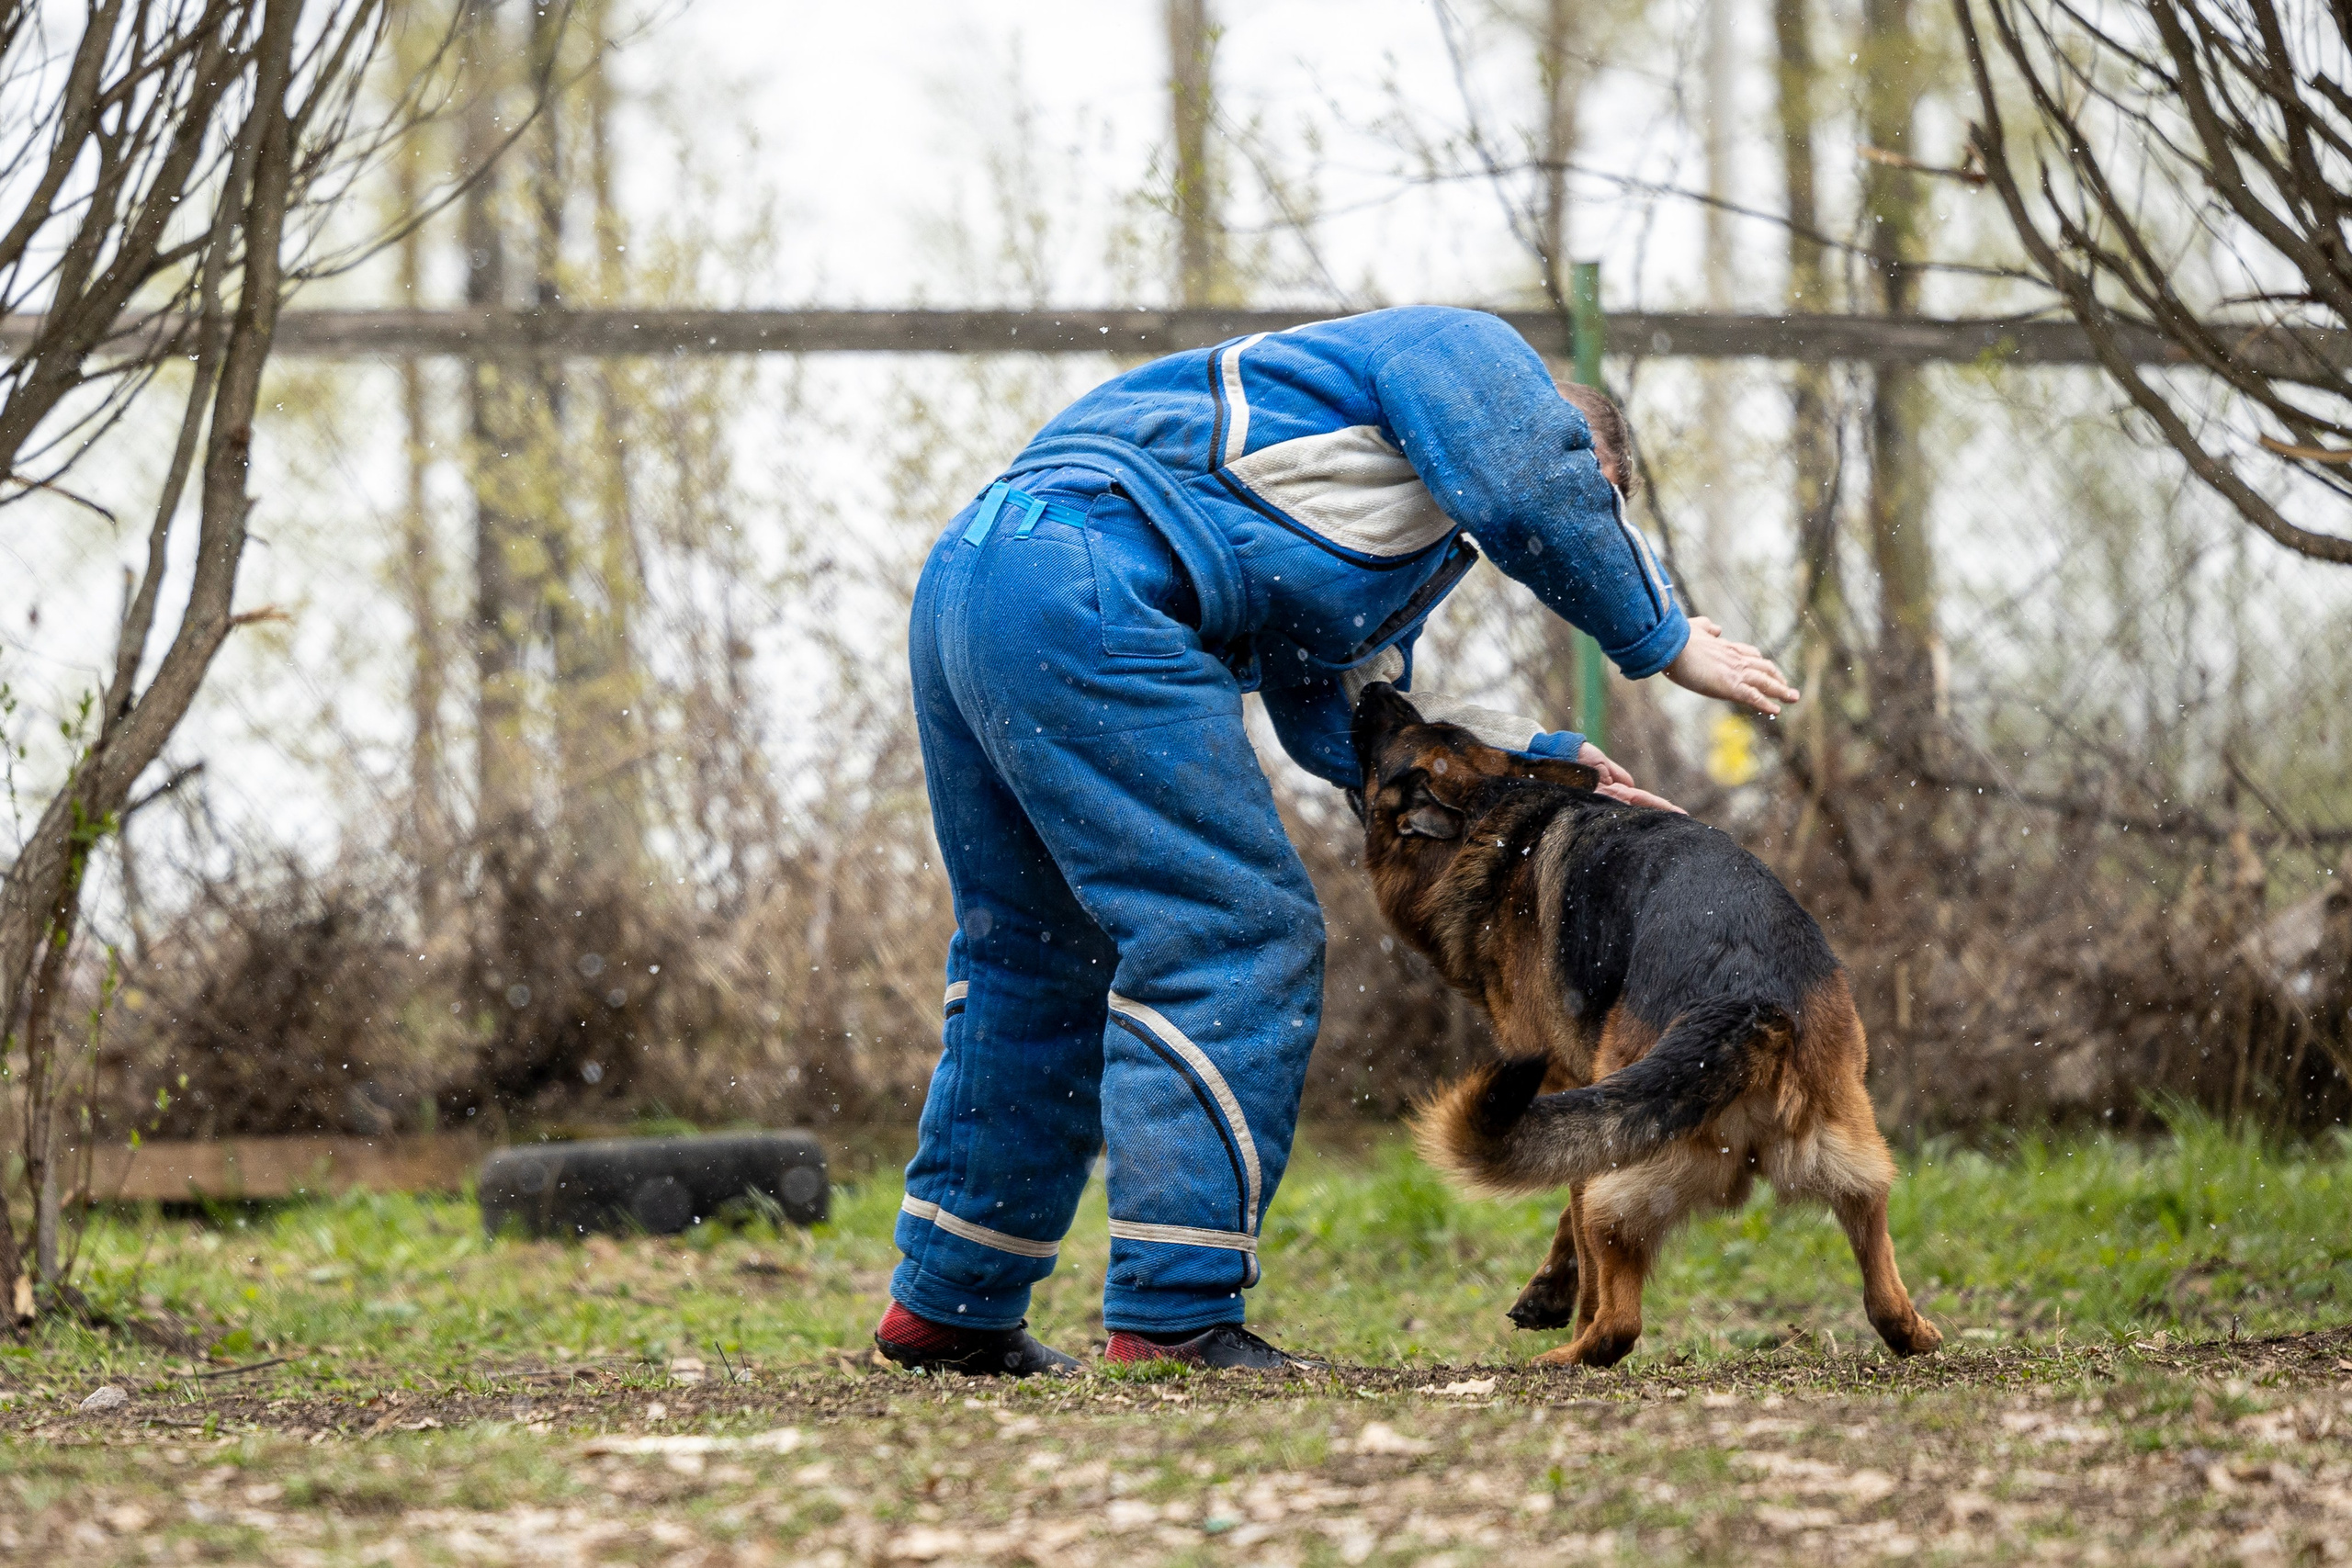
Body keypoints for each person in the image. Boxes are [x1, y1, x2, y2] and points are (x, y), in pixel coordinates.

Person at [876, 306, 1798, 1375]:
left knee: (1036, 958)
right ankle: (1175, 1319)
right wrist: (1664, 639)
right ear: (1565, 441)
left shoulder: (1367, 514)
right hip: (1082, 581)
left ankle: (951, 1304)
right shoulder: (1464, 353)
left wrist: (1550, 761)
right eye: (1595, 498)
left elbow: (1353, 723)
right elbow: (1529, 489)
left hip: (987, 581)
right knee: (1232, 936)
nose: (1579, 531)